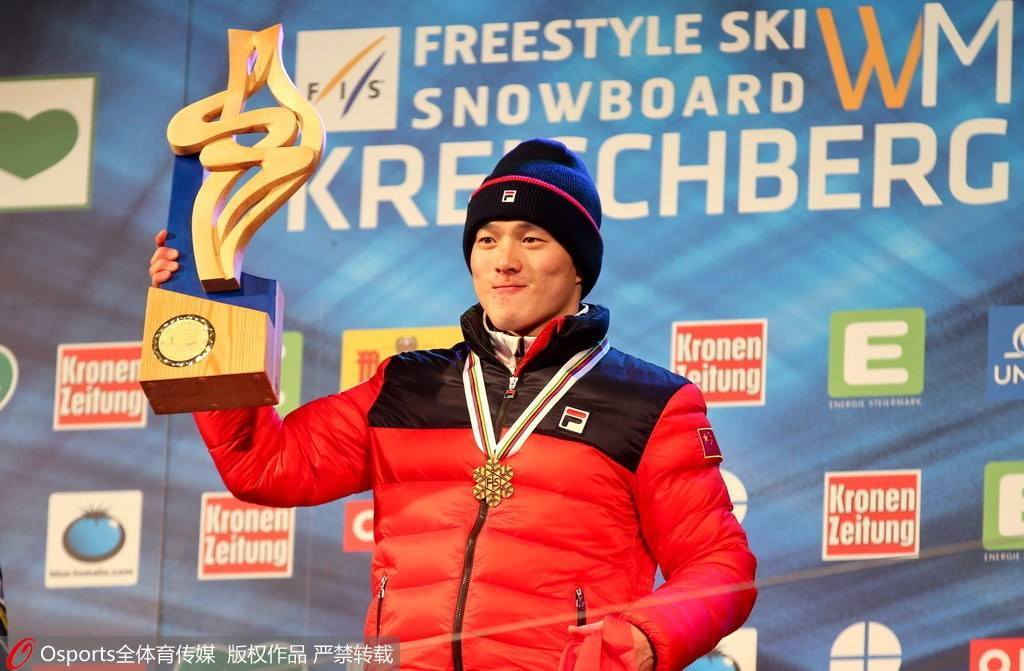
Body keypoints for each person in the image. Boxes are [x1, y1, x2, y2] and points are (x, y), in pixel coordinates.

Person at [149, 139, 757, 671]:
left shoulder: (649, 403)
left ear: (579, 266)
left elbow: (720, 564)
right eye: (487, 239)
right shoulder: (406, 386)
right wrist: (205, 315)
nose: (505, 260)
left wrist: (642, 638)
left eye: (532, 239)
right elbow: (265, 464)